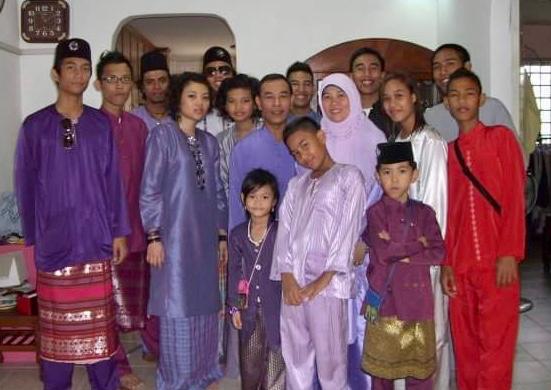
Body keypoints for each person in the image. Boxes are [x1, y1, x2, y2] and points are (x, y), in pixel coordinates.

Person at [14, 38, 129, 390]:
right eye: (70, 67)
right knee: (55, 337)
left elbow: (113, 181)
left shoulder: (100, 125)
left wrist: (119, 230)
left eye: (84, 68)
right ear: (55, 73)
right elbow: (25, 185)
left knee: (100, 335)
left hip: (96, 241)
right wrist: (36, 237)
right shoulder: (35, 126)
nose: (78, 74)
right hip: (56, 245)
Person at [140, 72, 228, 389]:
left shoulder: (209, 142)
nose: (199, 103)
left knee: (204, 304)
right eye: (192, 95)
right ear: (178, 98)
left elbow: (218, 192)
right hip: (172, 241)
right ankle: (177, 379)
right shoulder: (162, 136)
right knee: (176, 305)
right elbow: (150, 190)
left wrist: (220, 235)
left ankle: (203, 372)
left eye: (205, 97)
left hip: (204, 241)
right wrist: (153, 236)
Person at [441, 69, 525, 390]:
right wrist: (447, 262)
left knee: (497, 349)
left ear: (481, 98)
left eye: (469, 93)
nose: (462, 100)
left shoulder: (501, 138)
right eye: (455, 95)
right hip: (460, 267)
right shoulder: (447, 153)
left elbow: (515, 200)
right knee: (466, 350)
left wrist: (509, 253)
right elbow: (445, 213)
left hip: (497, 264)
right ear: (447, 103)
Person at [271, 116, 366, 389]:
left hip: (328, 287)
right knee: (296, 357)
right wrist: (287, 277)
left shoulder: (349, 176)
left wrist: (323, 280)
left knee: (331, 361)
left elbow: (348, 232)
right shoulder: (296, 186)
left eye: (305, 145)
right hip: (294, 285)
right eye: (296, 153)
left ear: (321, 137)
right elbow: (285, 232)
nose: (303, 155)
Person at [381, 72, 450, 389]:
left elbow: (435, 204)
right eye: (387, 98)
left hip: (422, 255)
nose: (392, 103)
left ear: (413, 98)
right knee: (403, 330)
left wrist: (421, 253)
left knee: (430, 332)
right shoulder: (397, 143)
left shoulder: (430, 142)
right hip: (398, 254)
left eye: (399, 95)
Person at [318, 72, 385, 390]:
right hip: (323, 251)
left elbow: (385, 198)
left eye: (340, 95)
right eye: (327, 96)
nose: (334, 103)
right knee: (329, 324)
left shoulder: (373, 138)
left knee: (360, 322)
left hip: (361, 251)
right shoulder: (317, 138)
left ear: (353, 97)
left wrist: (365, 240)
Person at [362, 141, 445, 390]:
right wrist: (417, 244)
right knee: (382, 376)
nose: (394, 179)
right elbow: (384, 251)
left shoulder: (426, 214)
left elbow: (439, 252)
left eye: (402, 171)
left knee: (419, 375)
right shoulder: (375, 213)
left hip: (418, 304)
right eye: (387, 172)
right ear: (378, 176)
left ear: (414, 174)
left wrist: (405, 252)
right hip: (385, 304)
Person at [94, 50, 148, 390]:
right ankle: (118, 366)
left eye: (124, 79)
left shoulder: (138, 126)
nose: (118, 85)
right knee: (105, 303)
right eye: (111, 78)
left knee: (136, 299)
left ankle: (151, 350)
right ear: (99, 83)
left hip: (138, 228)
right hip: (102, 232)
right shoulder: (89, 125)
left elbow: (146, 180)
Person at [227, 169, 285, 389]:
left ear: (274, 201)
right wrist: (235, 308)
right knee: (250, 365)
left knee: (276, 366)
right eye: (252, 196)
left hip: (278, 310)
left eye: (265, 197)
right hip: (249, 310)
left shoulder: (281, 232)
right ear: (243, 199)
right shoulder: (238, 234)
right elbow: (235, 273)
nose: (258, 202)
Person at [228, 74, 296, 230]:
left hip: (301, 237)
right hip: (259, 239)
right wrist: (238, 245)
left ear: (291, 100)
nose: (277, 104)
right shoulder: (243, 149)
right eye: (269, 97)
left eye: (283, 96)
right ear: (258, 102)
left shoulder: (303, 144)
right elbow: (237, 204)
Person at [424, 43, 516, 142]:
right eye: (437, 67)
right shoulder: (431, 116)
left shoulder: (493, 108)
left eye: (450, 63)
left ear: (467, 67)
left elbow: (516, 154)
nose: (442, 71)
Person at [215, 74, 261, 197]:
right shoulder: (221, 140)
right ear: (224, 104)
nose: (238, 107)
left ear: (256, 103)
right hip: (233, 207)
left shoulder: (268, 133)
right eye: (232, 101)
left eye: (245, 101)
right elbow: (222, 181)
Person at [349, 47, 392, 138]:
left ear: (382, 75)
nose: (367, 74)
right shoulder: (342, 113)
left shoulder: (393, 112)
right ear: (351, 77)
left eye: (373, 68)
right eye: (360, 69)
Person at [198, 46, 236, 136]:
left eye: (224, 71)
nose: (218, 76)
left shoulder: (244, 107)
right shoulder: (197, 109)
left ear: (233, 74)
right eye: (211, 72)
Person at [132, 49, 172, 132]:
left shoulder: (180, 117)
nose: (157, 86)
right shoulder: (133, 119)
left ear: (169, 83)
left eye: (162, 80)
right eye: (150, 82)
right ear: (142, 87)